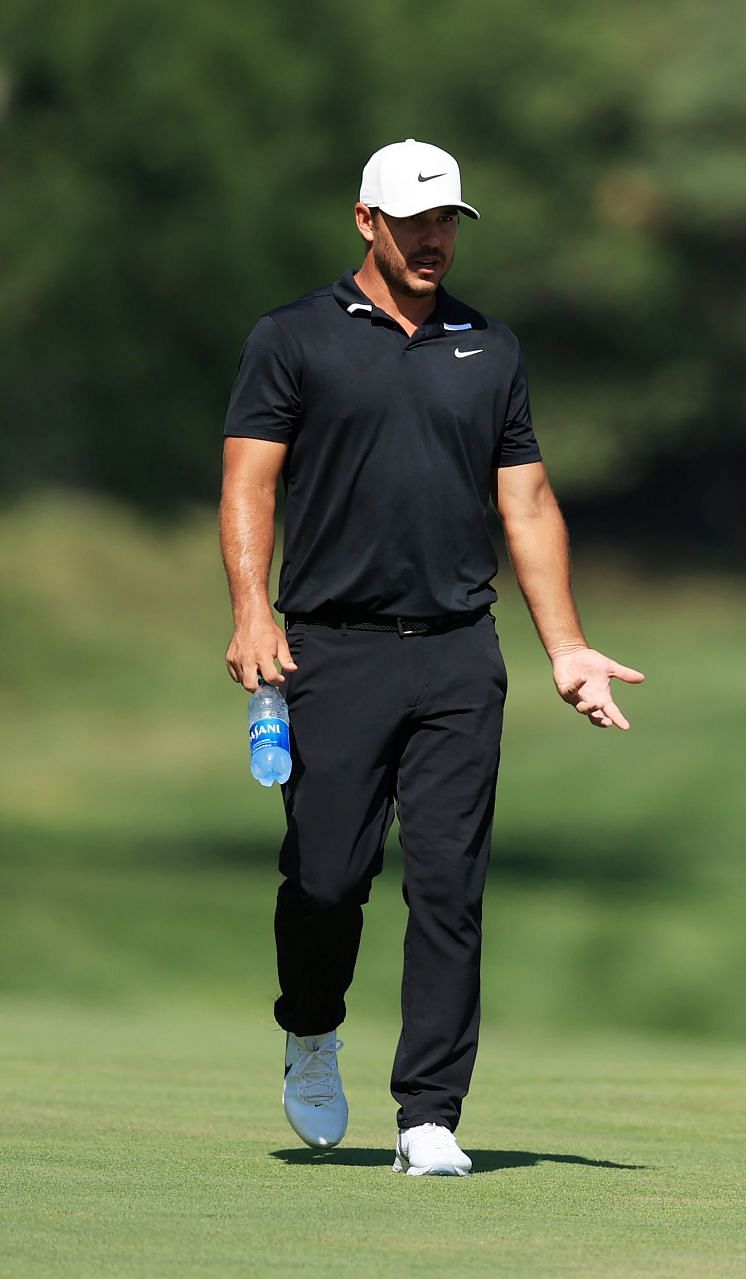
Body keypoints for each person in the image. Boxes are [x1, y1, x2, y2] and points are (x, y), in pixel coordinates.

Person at [220, 139, 643, 1177]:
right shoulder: (294, 339)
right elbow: (249, 486)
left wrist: (568, 645)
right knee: (328, 877)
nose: (434, 240)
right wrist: (250, 610)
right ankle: (311, 1027)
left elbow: (527, 501)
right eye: (414, 222)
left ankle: (429, 1113)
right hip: (332, 649)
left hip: (458, 652)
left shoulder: (489, 347)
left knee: (450, 885)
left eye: (447, 220)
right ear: (366, 220)